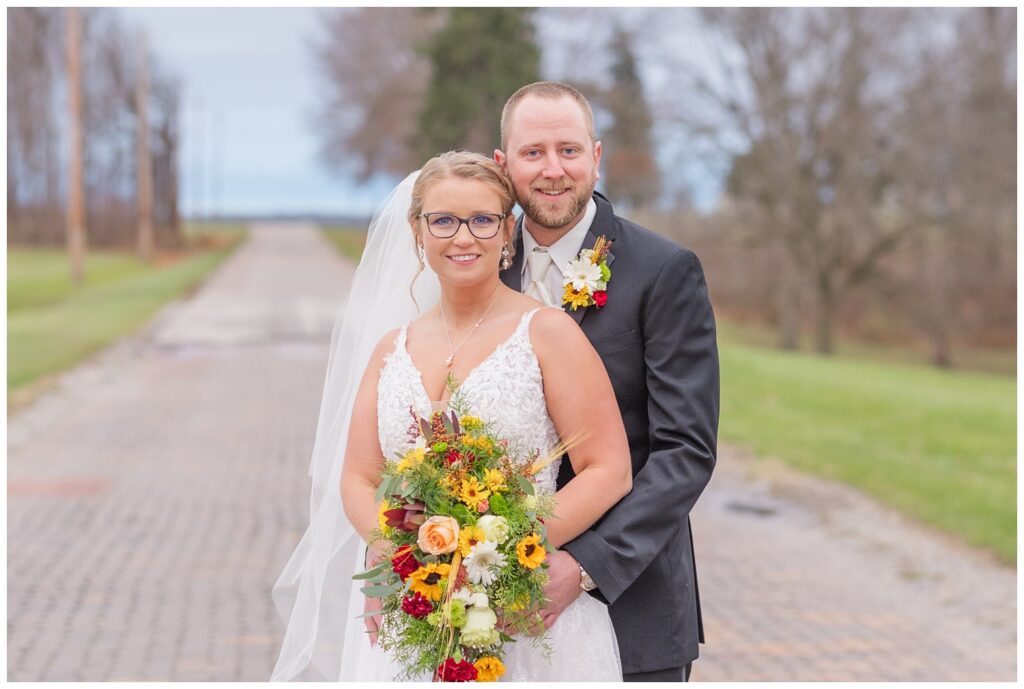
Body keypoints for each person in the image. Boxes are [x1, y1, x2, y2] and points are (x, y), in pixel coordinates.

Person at [271, 152, 633, 681]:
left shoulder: (548, 333)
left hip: (522, 613)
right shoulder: (390, 348)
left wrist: (501, 553)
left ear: (508, 229)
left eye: (482, 220)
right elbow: (358, 476)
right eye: (443, 220)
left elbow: (609, 468)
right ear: (418, 231)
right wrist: (403, 559)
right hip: (412, 614)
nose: (463, 238)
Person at [494, 81, 720, 682]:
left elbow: (685, 452)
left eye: (568, 151)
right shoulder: (479, 265)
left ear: (596, 156)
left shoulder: (664, 271)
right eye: (532, 152)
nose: (552, 170)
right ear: (503, 164)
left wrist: (584, 565)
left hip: (630, 603)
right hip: (493, 608)